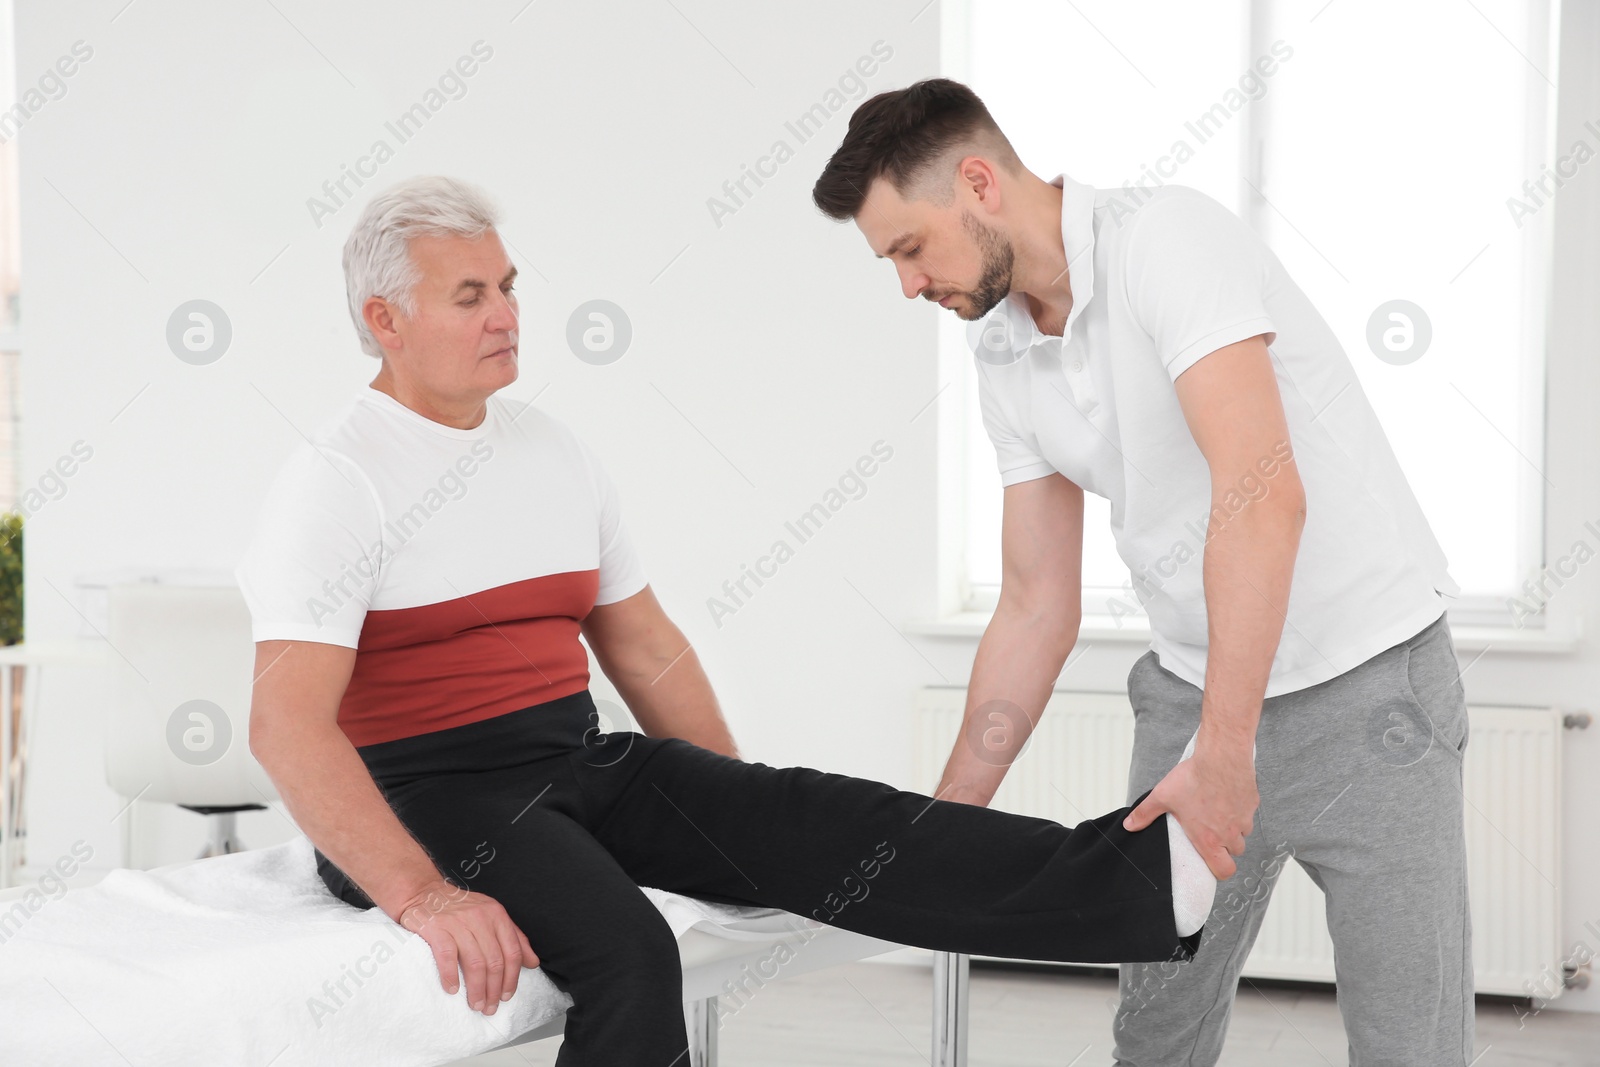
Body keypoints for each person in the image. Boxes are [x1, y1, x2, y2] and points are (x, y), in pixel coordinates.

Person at [234, 174, 1213, 1065]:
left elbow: (646, 643)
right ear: (385, 320)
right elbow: (286, 722)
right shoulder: (336, 481)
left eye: (508, 285)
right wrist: (426, 893)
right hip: (429, 793)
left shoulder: (551, 451)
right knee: (630, 950)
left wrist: (735, 809)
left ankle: (1133, 876)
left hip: (572, 759)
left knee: (824, 818)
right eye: (470, 296)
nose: (508, 313)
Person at [810, 78, 1473, 1066]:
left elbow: (1260, 497)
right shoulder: (999, 347)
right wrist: (942, 819)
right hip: (1191, 696)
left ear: (978, 183)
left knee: (1405, 1038)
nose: (907, 285)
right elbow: (1036, 602)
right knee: (1156, 1032)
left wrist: (1224, 746)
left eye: (908, 249)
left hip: (1368, 690)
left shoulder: (1163, 240)